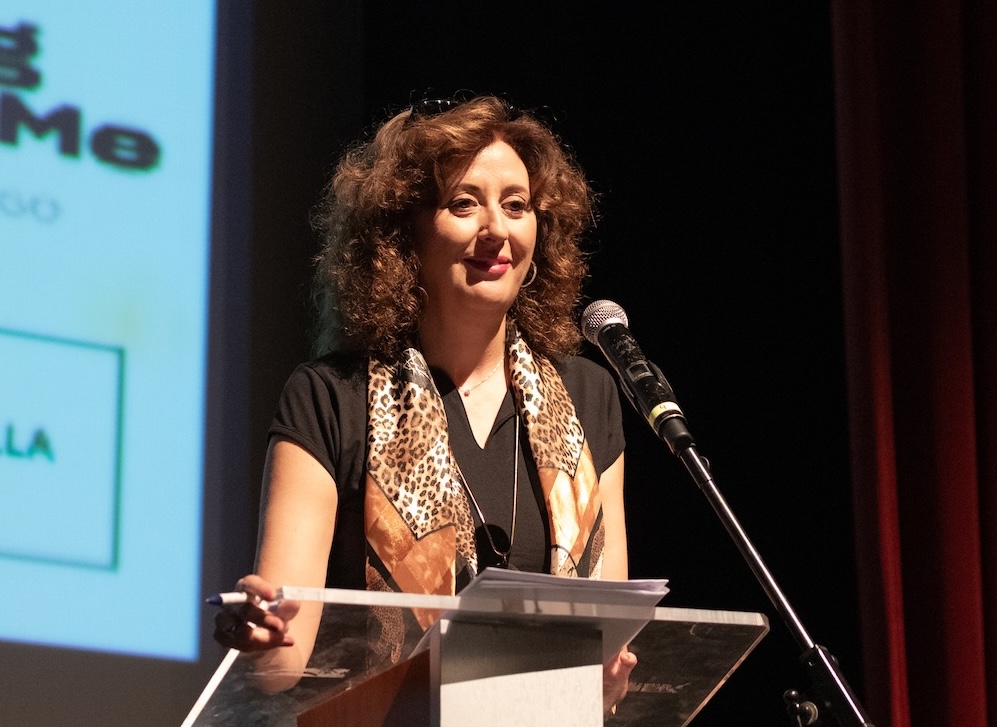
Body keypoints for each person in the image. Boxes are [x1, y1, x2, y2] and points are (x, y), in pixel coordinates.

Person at [214, 94, 636, 712]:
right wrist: (262, 639)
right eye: (464, 204)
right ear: (402, 232)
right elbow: (282, 659)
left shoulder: (588, 394)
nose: (497, 230)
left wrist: (606, 683)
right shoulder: (331, 397)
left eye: (516, 205)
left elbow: (606, 634)